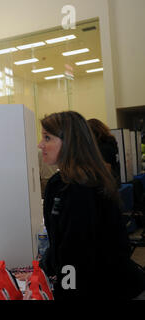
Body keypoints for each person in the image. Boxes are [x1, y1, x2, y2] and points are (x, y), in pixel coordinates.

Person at [38, 111, 145, 300]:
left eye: (47, 137)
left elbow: (76, 255)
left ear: (70, 142)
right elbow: (60, 244)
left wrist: (65, 292)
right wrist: (43, 269)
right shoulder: (60, 182)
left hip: (107, 288)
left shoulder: (84, 187)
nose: (40, 145)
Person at [87, 118, 121, 187]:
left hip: (107, 185)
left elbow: (104, 168)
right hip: (115, 181)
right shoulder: (110, 142)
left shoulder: (102, 147)